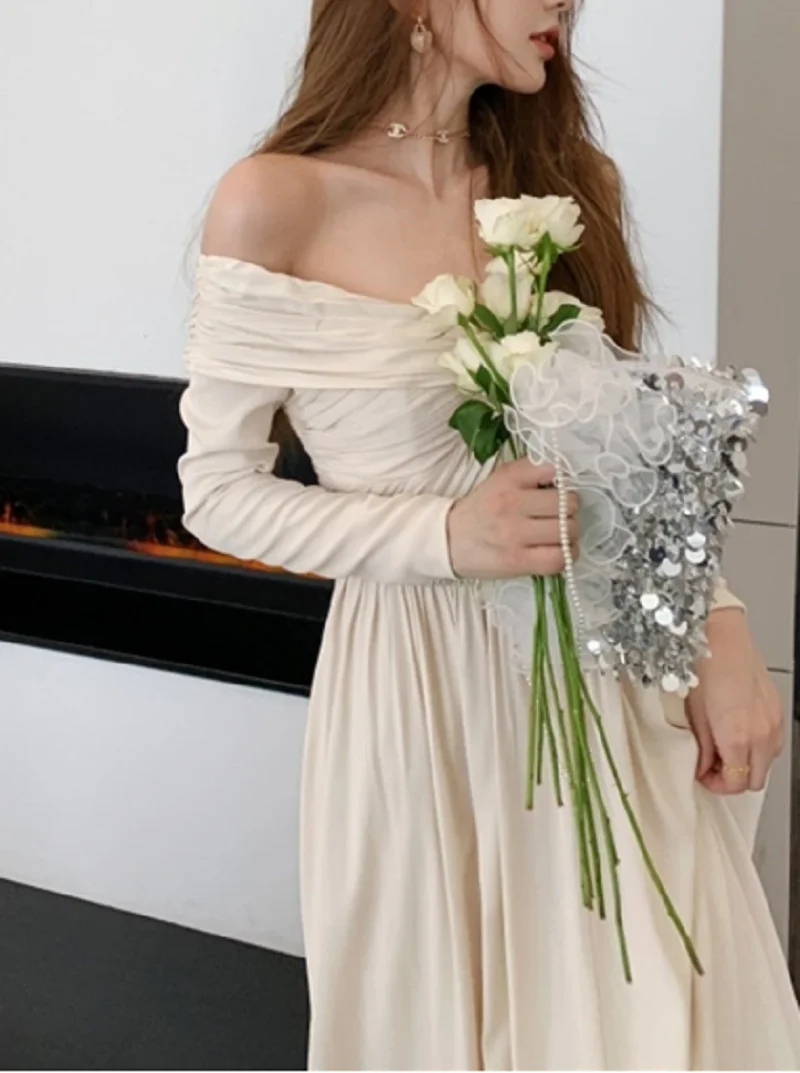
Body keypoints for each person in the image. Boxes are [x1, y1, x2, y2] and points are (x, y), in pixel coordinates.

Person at [178, 0, 800, 1067]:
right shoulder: (274, 201)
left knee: (647, 1010)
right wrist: (446, 535)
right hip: (422, 696)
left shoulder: (566, 189)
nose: (564, 4)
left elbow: (623, 459)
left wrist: (721, 625)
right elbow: (217, 491)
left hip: (604, 682)